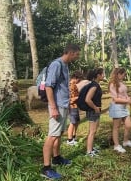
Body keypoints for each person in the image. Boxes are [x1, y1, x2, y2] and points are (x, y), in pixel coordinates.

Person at [41, 44, 80, 179]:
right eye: (77, 54)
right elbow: (49, 87)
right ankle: (46, 168)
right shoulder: (57, 65)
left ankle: (57, 158)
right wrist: (53, 107)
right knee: (52, 135)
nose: (77, 57)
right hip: (56, 106)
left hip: (63, 105)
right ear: (70, 52)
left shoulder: (65, 65)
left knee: (59, 133)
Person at [108, 67, 131, 153]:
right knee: (116, 127)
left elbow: (124, 94)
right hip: (116, 108)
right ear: (118, 74)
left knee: (129, 125)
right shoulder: (112, 84)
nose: (124, 76)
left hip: (123, 107)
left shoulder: (121, 83)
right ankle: (116, 145)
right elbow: (115, 99)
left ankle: (125, 141)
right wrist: (127, 101)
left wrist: (128, 98)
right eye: (123, 74)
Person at [84, 68, 105, 157]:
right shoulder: (94, 86)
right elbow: (87, 99)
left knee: (93, 130)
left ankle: (91, 148)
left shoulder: (95, 85)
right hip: (93, 111)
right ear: (98, 75)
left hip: (95, 111)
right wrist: (95, 108)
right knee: (92, 131)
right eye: (102, 74)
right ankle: (89, 151)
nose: (103, 76)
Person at [67, 71, 83, 146]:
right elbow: (70, 99)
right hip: (72, 106)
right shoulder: (70, 85)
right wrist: (79, 97)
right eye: (79, 79)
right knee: (72, 122)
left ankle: (73, 136)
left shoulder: (74, 85)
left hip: (76, 106)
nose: (79, 81)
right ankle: (69, 139)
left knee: (76, 121)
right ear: (76, 78)